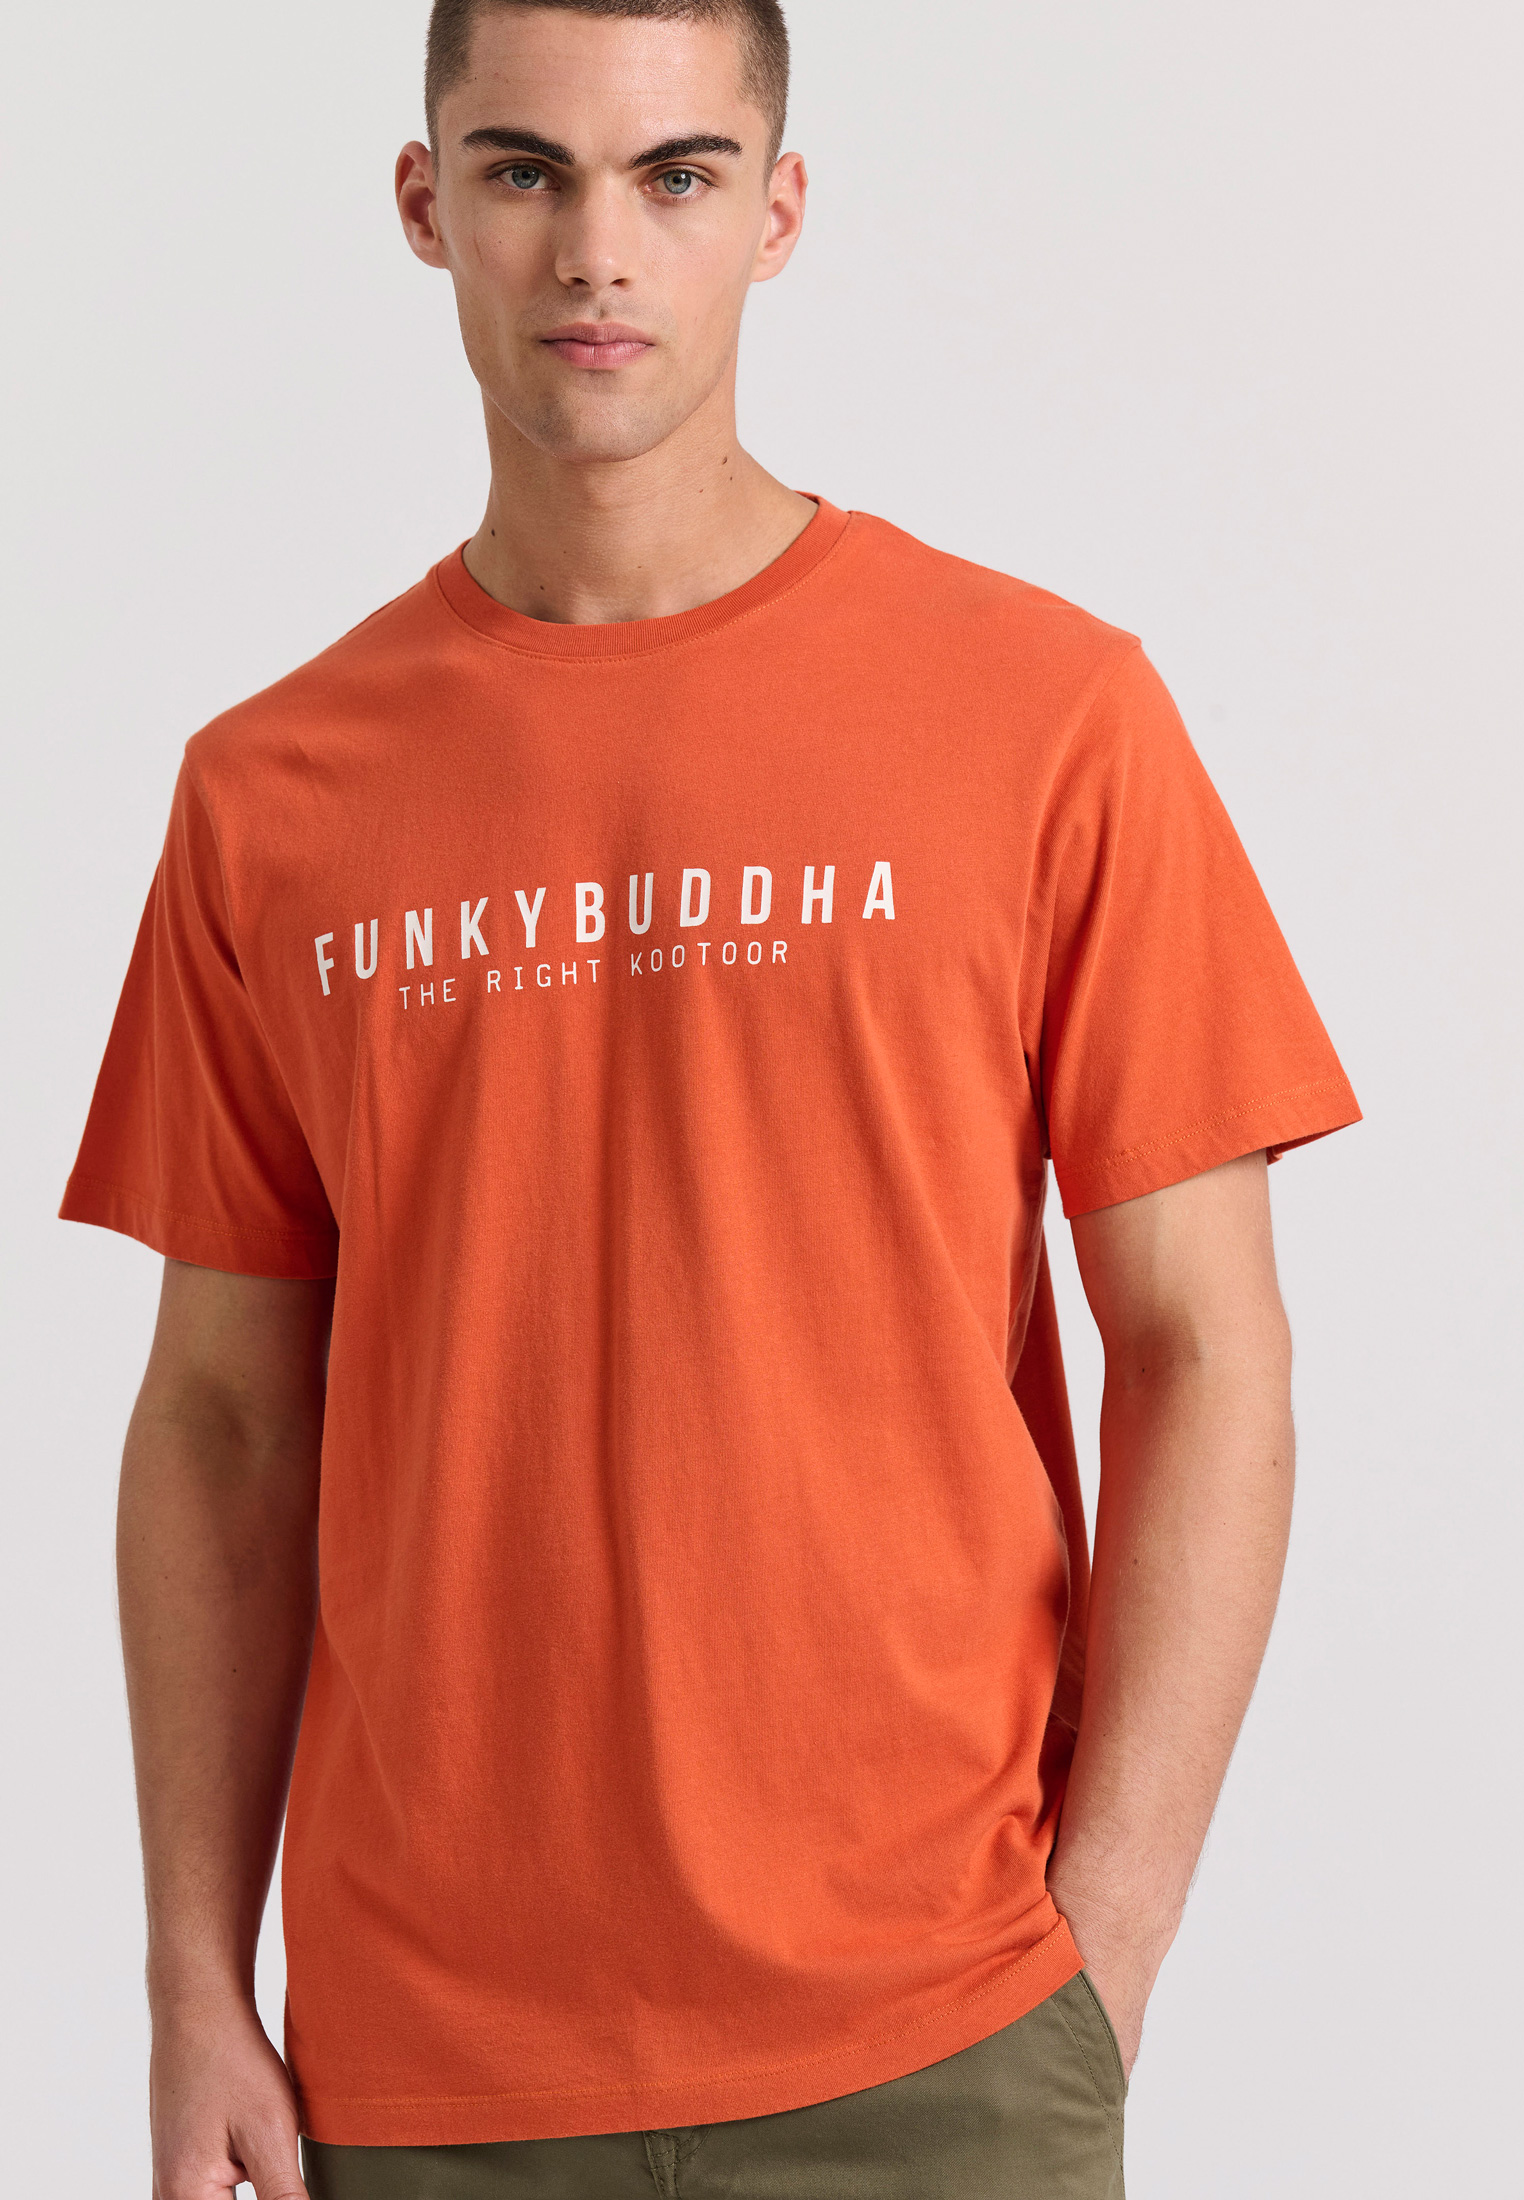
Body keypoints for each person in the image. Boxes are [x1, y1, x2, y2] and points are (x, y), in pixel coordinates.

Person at [60, 3, 1360, 2195]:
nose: (598, 249)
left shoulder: (1047, 716)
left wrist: (1102, 1957)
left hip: (938, 2033)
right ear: (424, 205)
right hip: (423, 2073)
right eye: (525, 170)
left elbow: (1208, 1347)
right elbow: (220, 1420)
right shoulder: (270, 795)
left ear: (777, 211)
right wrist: (196, 1977)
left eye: (674, 175)